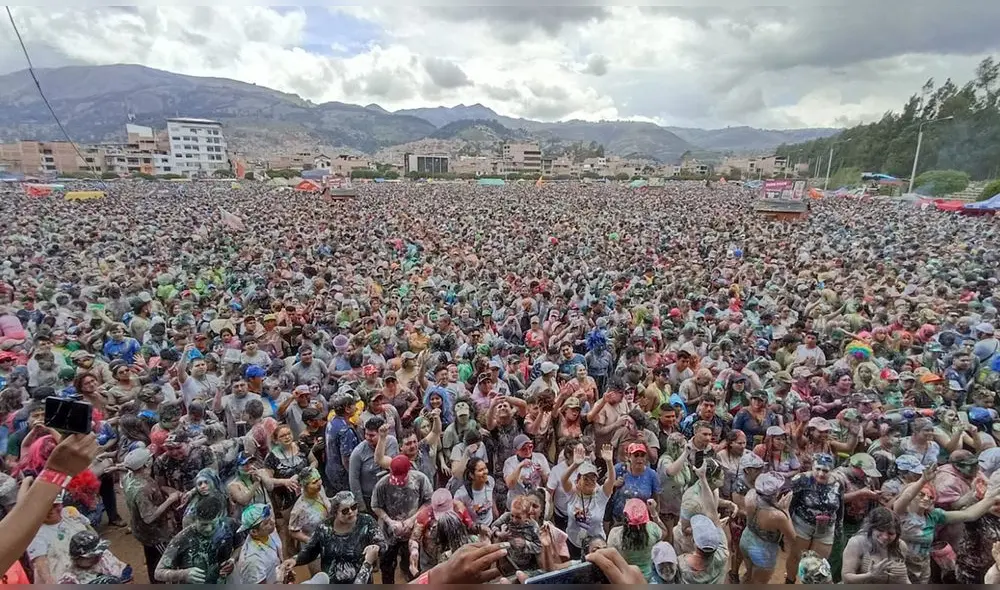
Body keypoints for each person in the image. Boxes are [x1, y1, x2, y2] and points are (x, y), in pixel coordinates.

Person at [284, 490, 386, 584]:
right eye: (345, 511)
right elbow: (311, 550)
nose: (351, 512)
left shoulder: (366, 521)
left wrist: (376, 547)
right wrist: (295, 560)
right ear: (335, 512)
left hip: (362, 580)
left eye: (354, 507)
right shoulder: (324, 528)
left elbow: (382, 543)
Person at [120, 446, 180, 584]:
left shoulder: (130, 477)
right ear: (146, 464)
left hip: (142, 531)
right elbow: (149, 518)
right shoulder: (142, 489)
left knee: (152, 559)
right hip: (155, 534)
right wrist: (171, 499)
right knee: (161, 561)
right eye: (149, 459)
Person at [371, 454, 433, 583]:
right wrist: (389, 521)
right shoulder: (382, 484)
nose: (399, 482)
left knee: (412, 566)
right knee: (387, 566)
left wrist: (412, 520)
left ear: (408, 471)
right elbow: (375, 506)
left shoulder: (420, 480)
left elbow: (429, 502)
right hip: (389, 533)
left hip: (412, 534)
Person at [154, 495, 243, 584]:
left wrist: (232, 559)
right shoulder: (182, 539)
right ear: (195, 519)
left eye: (214, 524)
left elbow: (240, 545)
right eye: (203, 524)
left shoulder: (230, 525)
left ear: (220, 516)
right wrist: (183, 574)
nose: (208, 529)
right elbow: (158, 572)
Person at [784, 453, 844, 584]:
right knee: (796, 557)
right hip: (802, 525)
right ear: (812, 467)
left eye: (826, 470)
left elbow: (840, 508)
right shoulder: (800, 479)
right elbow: (790, 505)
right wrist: (785, 529)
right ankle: (789, 581)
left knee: (818, 564)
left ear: (832, 470)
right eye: (818, 469)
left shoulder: (838, 483)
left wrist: (839, 529)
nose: (821, 474)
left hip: (826, 528)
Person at [739, 472, 795, 583]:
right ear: (776, 492)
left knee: (749, 574)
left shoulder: (750, 495)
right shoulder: (777, 516)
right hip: (763, 551)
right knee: (759, 583)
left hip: (746, 539)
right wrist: (786, 511)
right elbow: (792, 537)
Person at [841, 506, 910, 583]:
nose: (885, 537)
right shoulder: (857, 543)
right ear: (871, 528)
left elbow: (904, 578)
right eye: (880, 530)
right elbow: (846, 577)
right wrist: (870, 575)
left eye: (890, 533)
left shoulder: (900, 546)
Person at [608, 498, 668, 581]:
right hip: (648, 577)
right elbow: (664, 532)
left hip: (627, 578)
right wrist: (653, 512)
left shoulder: (615, 534)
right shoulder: (652, 529)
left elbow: (611, 558)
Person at [59, 530, 133, 584]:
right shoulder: (69, 580)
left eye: (99, 553)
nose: (98, 557)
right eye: (91, 556)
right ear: (77, 558)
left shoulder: (104, 555)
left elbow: (126, 573)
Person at [235, 503, 283, 584]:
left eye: (271, 518)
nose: (273, 522)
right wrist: (279, 581)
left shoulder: (267, 532)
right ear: (254, 532)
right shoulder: (253, 561)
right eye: (266, 523)